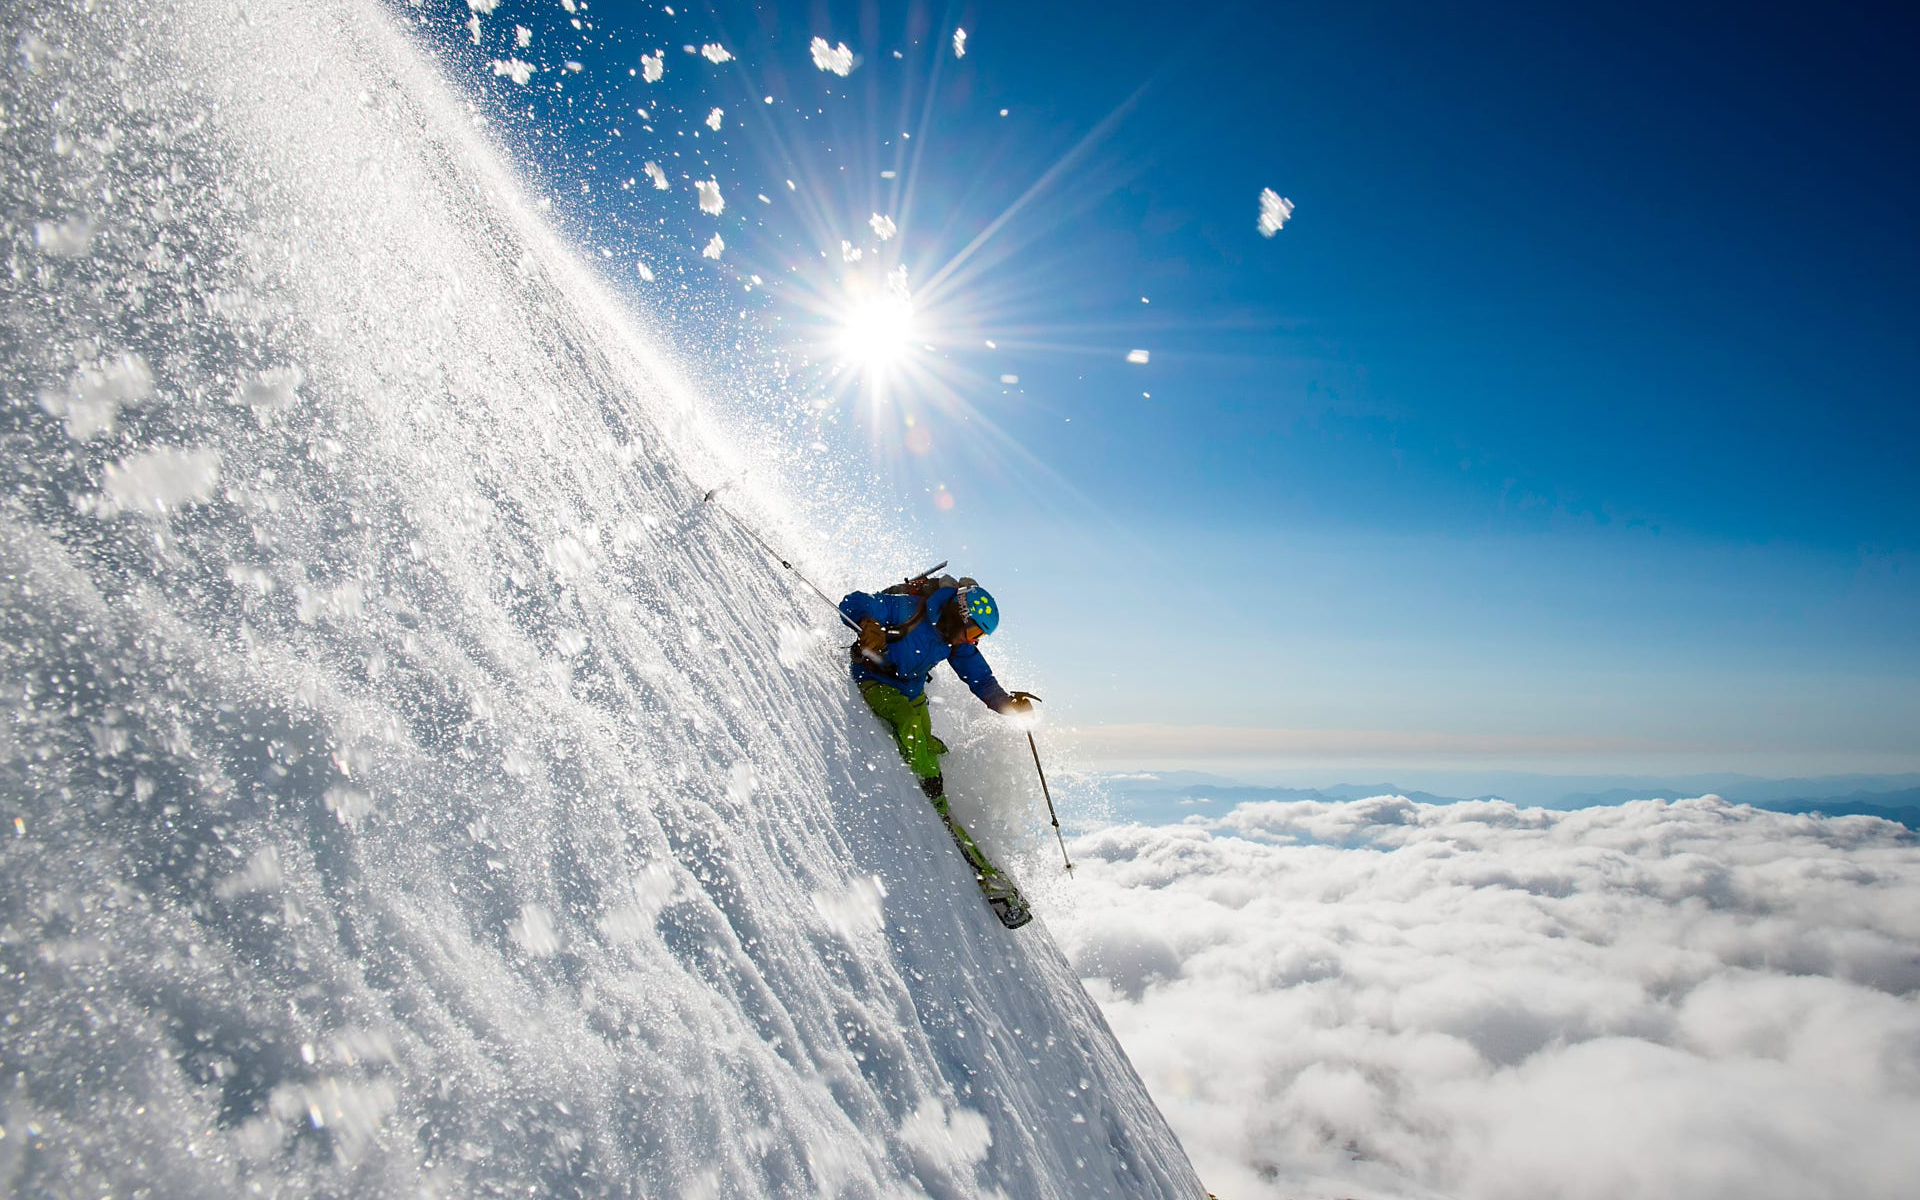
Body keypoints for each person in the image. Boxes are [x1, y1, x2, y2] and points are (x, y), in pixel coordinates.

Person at [838, 579, 1035, 921]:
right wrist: (869, 624)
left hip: (912, 692)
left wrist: (1007, 705)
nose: (973, 640)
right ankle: (933, 792)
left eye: (979, 637)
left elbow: (980, 679)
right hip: (876, 682)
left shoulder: (953, 640)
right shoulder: (907, 609)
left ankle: (935, 776)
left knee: (930, 743)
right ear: (960, 615)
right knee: (909, 727)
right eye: (974, 631)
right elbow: (853, 601)